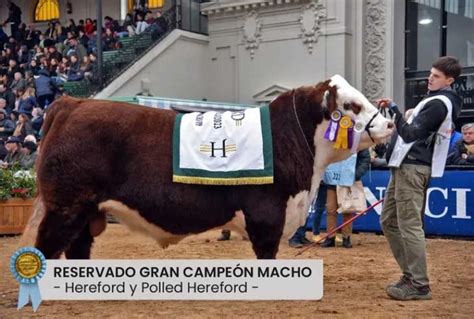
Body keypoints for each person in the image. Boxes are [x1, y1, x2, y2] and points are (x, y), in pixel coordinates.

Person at [377, 56, 462, 301]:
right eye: (431, 73)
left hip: (412, 169)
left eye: (436, 76)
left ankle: (419, 284)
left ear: (449, 80)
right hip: (407, 167)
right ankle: (411, 275)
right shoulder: (437, 101)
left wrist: (396, 112)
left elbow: (410, 133)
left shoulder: (439, 103)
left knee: (408, 225)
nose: (429, 78)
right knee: (389, 221)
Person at [320, 149, 370, 248]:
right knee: (330, 209)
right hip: (332, 181)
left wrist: (355, 174)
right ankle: (330, 237)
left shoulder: (357, 137)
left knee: (348, 210)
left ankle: (346, 237)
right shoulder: (331, 136)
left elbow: (365, 158)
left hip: (348, 180)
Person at [288, 183, 328, 248]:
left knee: (308, 207)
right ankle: (294, 237)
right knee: (301, 205)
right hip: (309, 178)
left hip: (324, 179)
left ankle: (301, 236)